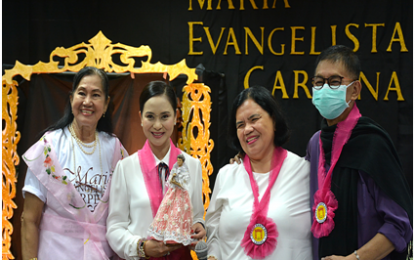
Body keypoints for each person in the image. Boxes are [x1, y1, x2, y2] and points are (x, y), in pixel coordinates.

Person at [307, 45, 414, 260]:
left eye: (335, 82)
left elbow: (400, 223)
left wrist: (354, 259)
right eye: (319, 83)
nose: (325, 89)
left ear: (355, 90)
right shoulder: (315, 143)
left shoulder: (372, 143)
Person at [21, 66, 128, 260]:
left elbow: (123, 216)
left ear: (105, 105)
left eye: (96, 95)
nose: (87, 101)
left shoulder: (116, 151)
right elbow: (29, 219)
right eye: (82, 93)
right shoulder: (48, 148)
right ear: (71, 99)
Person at [205, 86, 312, 260]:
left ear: (274, 121)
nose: (247, 129)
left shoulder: (303, 172)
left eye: (254, 119)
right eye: (240, 125)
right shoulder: (227, 175)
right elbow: (213, 232)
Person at [106, 81, 206, 260]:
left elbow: (197, 215)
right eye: (150, 117)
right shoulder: (126, 168)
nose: (158, 125)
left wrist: (198, 226)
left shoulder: (192, 166)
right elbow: (114, 227)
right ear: (140, 117)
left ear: (176, 116)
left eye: (165, 116)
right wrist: (141, 247)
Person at [148, 154, 196, 246]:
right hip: (173, 191)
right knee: (166, 208)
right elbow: (170, 179)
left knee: (178, 212)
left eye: (180, 160)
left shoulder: (185, 169)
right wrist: (173, 179)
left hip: (181, 193)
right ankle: (162, 232)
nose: (179, 162)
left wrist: (178, 182)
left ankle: (177, 234)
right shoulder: (175, 167)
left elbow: (185, 181)